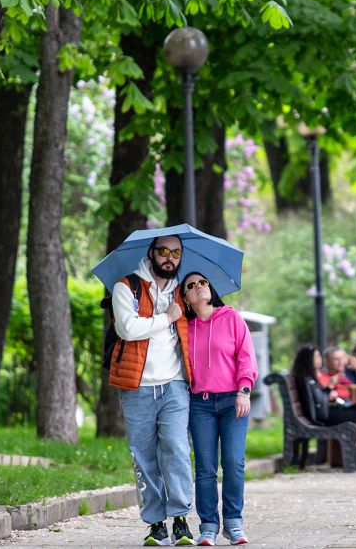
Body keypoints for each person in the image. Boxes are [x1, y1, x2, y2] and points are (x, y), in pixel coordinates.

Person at [109, 234, 196, 546]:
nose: (170, 257)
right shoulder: (127, 287)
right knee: (144, 457)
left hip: (175, 385)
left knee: (176, 450)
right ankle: (156, 525)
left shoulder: (183, 290)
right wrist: (166, 317)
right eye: (164, 251)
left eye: (176, 252)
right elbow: (128, 329)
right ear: (151, 253)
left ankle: (182, 520)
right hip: (138, 388)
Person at [183, 272, 256, 546]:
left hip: (232, 400)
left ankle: (234, 523)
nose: (199, 288)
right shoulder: (183, 328)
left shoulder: (232, 318)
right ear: (187, 299)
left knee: (234, 463)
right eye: (191, 286)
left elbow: (246, 357)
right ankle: (209, 526)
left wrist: (244, 391)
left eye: (202, 282)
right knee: (205, 468)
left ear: (210, 288)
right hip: (199, 404)